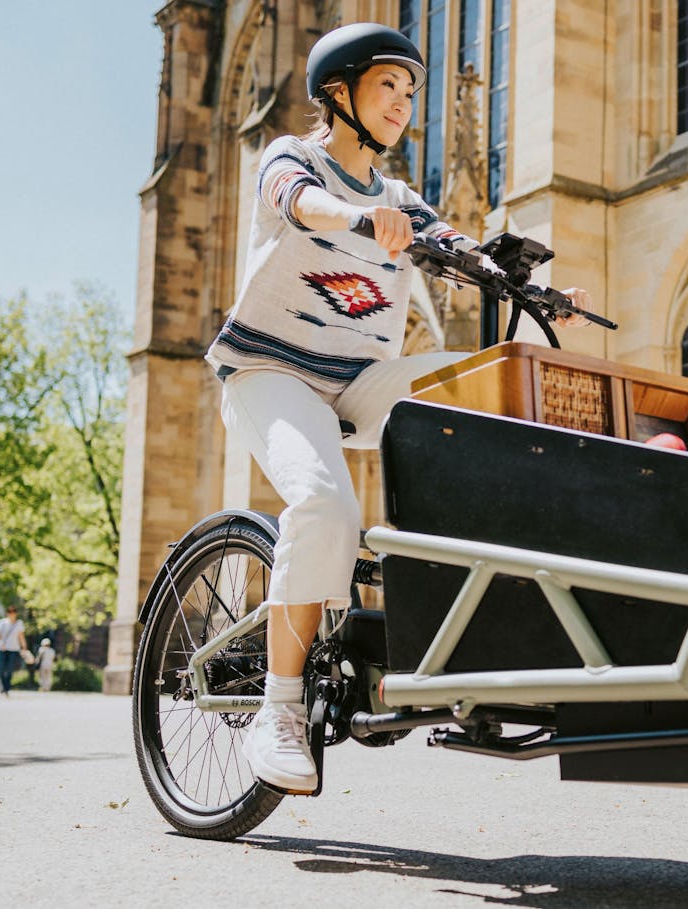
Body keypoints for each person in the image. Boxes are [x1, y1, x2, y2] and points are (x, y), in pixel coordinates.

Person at [205, 22, 592, 794]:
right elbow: (297, 202)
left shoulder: (401, 199)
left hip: (355, 378)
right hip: (268, 371)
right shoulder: (294, 158)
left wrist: (530, 286)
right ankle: (280, 710)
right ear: (339, 93)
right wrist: (352, 217)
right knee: (322, 500)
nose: (404, 103)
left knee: (485, 387)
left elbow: (460, 248)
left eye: (412, 92)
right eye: (390, 86)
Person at [0, 606, 27, 697]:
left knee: (9, 669)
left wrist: (24, 648)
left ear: (15, 614)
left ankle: (6, 688)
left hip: (14, 649)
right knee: (1, 669)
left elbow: (21, 637)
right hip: (2, 648)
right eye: (9, 612)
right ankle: (4, 686)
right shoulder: (2, 623)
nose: (11, 614)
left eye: (13, 612)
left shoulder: (19, 624)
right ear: (7, 613)